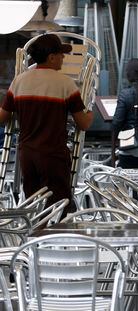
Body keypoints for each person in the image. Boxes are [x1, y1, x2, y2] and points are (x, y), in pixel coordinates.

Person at [0, 33, 94, 218]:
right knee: (58, 210)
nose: (63, 58)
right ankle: (53, 245)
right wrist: (91, 109)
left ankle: (36, 243)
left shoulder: (18, 81)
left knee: (35, 210)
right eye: (61, 54)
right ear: (51, 57)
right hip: (53, 156)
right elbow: (83, 124)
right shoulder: (65, 83)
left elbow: (2, 117)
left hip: (27, 156)